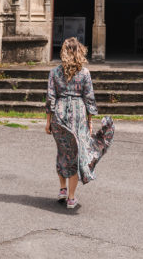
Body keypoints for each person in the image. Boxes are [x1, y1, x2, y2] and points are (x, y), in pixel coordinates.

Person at [45, 37, 114, 211]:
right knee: (75, 155)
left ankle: (62, 189)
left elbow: (50, 98)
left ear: (63, 52)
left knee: (63, 152)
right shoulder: (84, 73)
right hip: (78, 115)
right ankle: (71, 197)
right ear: (79, 52)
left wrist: (48, 122)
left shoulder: (54, 73)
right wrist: (90, 122)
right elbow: (89, 99)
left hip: (59, 114)